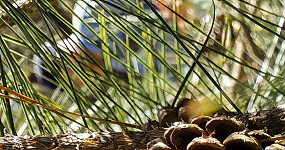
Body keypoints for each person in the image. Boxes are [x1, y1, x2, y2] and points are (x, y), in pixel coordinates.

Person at [30, 0, 185, 89]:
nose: (83, 82)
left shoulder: (88, 17)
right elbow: (168, 68)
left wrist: (174, 8)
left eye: (70, 72)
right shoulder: (114, 63)